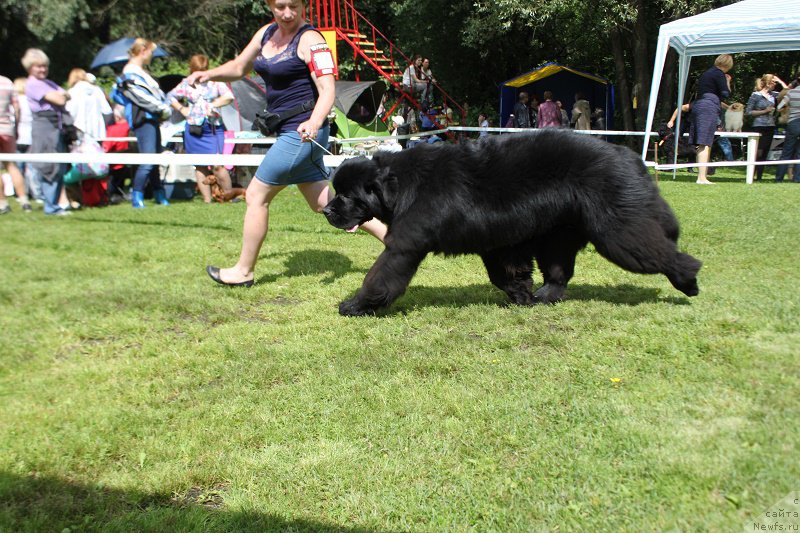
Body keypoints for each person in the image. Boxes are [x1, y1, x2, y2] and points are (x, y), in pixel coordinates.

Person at [186, 0, 387, 287]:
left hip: (303, 131)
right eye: (280, 6)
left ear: (303, 5)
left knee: (256, 195)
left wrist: (315, 122)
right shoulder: (266, 33)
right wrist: (209, 74)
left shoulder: (311, 40)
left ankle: (243, 271)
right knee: (324, 202)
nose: (288, 13)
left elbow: (327, 88)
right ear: (270, 5)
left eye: (294, 5)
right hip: (291, 132)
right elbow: (240, 66)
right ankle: (395, 240)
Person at [167, 54, 235, 204]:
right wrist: (181, 109)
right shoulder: (186, 83)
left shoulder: (215, 82)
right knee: (200, 164)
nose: (199, 73)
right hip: (193, 128)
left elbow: (229, 97)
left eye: (202, 69)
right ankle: (207, 201)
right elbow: (169, 96)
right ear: (192, 69)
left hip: (213, 127)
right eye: (197, 69)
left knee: (218, 165)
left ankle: (228, 197)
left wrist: (214, 104)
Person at [118, 38, 172, 208]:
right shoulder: (130, 72)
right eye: (151, 52)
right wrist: (162, 109)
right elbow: (141, 97)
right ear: (143, 50)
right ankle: (137, 197)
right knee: (148, 160)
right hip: (144, 119)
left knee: (154, 159)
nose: (152, 56)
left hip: (152, 118)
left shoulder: (139, 71)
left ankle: (159, 194)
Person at [23, 48, 71, 215]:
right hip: (44, 129)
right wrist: (61, 96)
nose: (43, 69)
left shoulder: (47, 83)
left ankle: (55, 204)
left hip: (56, 128)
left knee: (59, 168)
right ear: (30, 67)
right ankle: (50, 206)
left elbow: (66, 94)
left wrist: (61, 95)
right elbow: (60, 97)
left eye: (45, 66)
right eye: (38, 66)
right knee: (48, 167)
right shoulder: (33, 84)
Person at [689, 54, 733, 184]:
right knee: (705, 142)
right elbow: (725, 93)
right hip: (709, 107)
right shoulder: (719, 74)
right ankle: (701, 178)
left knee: (702, 142)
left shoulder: (707, 73)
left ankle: (702, 176)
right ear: (728, 65)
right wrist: (728, 82)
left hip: (699, 105)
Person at [745, 73, 788, 181]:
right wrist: (764, 111)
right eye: (773, 82)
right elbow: (748, 112)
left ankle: (759, 176)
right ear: (767, 83)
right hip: (758, 126)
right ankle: (751, 174)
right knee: (757, 151)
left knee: (764, 152)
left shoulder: (774, 95)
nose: (775, 84)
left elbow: (787, 91)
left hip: (770, 126)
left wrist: (780, 81)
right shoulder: (756, 95)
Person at [0, 74, 32, 213]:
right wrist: (16, 128)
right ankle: (24, 201)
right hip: (8, 128)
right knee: (11, 165)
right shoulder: (7, 82)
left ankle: (2, 203)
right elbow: (17, 109)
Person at [65, 68, 111, 141]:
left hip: (79, 131)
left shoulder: (72, 92)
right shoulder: (97, 90)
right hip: (98, 131)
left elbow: (70, 112)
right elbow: (107, 111)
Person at [102, 104, 132, 203]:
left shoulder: (113, 129)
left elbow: (105, 148)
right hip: (129, 164)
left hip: (115, 166)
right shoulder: (130, 127)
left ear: (118, 116)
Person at [774, 73, 800, 183]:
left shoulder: (791, 92)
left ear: (797, 82)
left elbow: (779, 106)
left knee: (787, 152)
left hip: (793, 123)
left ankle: (779, 178)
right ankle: (797, 178)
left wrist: (788, 107)